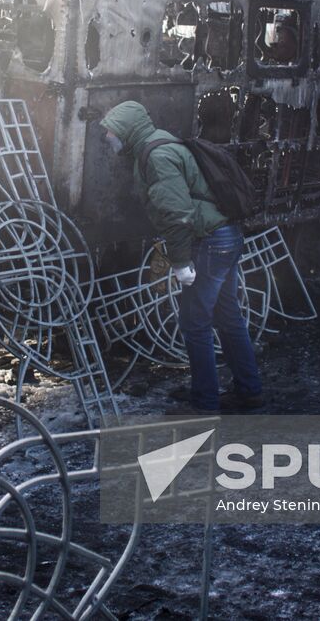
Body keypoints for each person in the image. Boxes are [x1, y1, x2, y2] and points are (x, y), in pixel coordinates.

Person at [100, 101, 265, 414]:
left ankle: (205, 404)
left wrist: (179, 262)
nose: (107, 136)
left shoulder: (156, 156)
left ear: (126, 129)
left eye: (110, 130)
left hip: (210, 242)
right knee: (228, 317)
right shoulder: (158, 142)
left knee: (195, 324)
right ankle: (249, 390)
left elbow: (178, 214)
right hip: (225, 236)